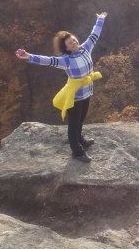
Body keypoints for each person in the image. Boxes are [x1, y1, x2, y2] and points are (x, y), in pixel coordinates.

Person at [15, 12, 107, 162]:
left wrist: (100, 19)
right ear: (66, 48)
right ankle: (77, 151)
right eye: (70, 43)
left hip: (86, 91)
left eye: (74, 40)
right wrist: (29, 56)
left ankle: (80, 139)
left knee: (81, 119)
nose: (74, 42)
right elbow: (48, 61)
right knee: (73, 123)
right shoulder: (66, 60)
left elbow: (94, 34)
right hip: (74, 96)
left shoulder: (86, 48)